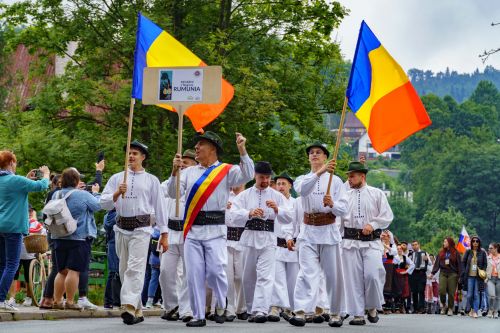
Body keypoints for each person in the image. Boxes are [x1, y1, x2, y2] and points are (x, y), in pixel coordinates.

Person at [166, 132, 254, 327]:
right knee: (194, 273)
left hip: (215, 230)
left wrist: (242, 150)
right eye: (196, 145)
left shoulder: (226, 170)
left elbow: (247, 174)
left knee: (216, 271)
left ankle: (221, 303)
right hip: (192, 229)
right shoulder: (188, 172)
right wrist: (174, 172)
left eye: (201, 145)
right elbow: (173, 193)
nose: (196, 148)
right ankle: (198, 315)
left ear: (213, 149)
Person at [101, 140, 169, 325]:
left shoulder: (151, 180)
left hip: (142, 229)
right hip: (121, 228)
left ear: (143, 157)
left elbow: (161, 208)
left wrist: (164, 233)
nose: (131, 156)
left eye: (135, 153)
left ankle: (128, 306)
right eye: (129, 153)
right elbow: (103, 203)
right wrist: (116, 193)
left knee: (135, 268)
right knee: (124, 271)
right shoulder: (117, 177)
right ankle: (137, 310)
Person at [289, 142, 348, 327]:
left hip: (328, 230)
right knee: (306, 272)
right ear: (309, 158)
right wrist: (320, 172)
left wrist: (332, 204)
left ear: (325, 156)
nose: (314, 155)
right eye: (312, 153)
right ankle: (300, 310)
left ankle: (336, 312)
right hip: (308, 230)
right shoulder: (303, 179)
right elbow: (302, 190)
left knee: (332, 275)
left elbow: (344, 209)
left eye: (318, 152)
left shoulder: (336, 181)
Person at [231, 162, 293, 323]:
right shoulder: (244, 196)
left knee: (266, 277)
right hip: (249, 238)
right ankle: (252, 309)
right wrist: (249, 213)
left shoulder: (277, 196)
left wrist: (278, 209)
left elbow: (290, 217)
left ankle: (260, 310)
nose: (265, 180)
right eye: (261, 177)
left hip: (268, 239)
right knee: (248, 277)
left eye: (267, 177)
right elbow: (232, 215)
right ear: (255, 176)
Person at [341, 161, 393, 326]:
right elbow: (338, 221)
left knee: (372, 276)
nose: (349, 178)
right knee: (353, 279)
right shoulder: (344, 196)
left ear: (362, 176)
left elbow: (387, 215)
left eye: (352, 175)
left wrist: (373, 224)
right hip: (349, 242)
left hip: (371, 242)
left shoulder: (376, 193)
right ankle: (357, 314)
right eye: (348, 176)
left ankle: (371, 306)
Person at [0, 150, 50, 312]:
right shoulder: (15, 180)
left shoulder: (9, 181)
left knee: (1, 265)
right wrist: (46, 174)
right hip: (13, 227)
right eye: (15, 162)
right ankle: (1, 300)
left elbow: (12, 192)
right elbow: (41, 186)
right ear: (10, 163)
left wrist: (26, 179)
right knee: (12, 264)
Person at [50, 168, 101, 310]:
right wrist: (96, 193)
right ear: (77, 181)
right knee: (74, 271)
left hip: (59, 237)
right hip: (78, 238)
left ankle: (57, 301)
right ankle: (70, 302)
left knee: (61, 271)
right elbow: (98, 206)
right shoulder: (83, 195)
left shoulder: (56, 194)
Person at [159, 149, 197, 322]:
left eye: (187, 163)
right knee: (166, 272)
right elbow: (159, 208)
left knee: (189, 273)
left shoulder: (197, 186)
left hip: (190, 232)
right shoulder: (166, 184)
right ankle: (171, 306)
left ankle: (187, 309)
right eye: (181, 163)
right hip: (170, 231)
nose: (183, 166)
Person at [270, 172, 298, 322]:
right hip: (276, 244)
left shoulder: (296, 202)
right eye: (278, 183)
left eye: (283, 184)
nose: (280, 187)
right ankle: (275, 307)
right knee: (277, 278)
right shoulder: (271, 201)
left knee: (293, 280)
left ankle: (292, 308)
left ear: (290, 186)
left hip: (293, 245)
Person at [225, 184, 247, 321]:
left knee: (241, 276)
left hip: (243, 240)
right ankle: (229, 308)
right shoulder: (225, 196)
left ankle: (242, 307)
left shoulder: (249, 196)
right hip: (226, 240)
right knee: (228, 276)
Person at [430, 237, 461, 316]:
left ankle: (450, 308)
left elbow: (459, 265)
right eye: (444, 242)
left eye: (445, 242)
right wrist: (432, 273)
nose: (444, 243)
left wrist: (460, 276)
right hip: (443, 273)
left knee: (451, 292)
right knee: (441, 290)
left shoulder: (456, 253)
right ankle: (444, 305)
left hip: (453, 274)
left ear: (450, 243)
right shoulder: (441, 253)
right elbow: (436, 264)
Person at [461, 236, 487, 318]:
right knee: (469, 295)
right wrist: (464, 271)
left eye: (477, 241)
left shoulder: (482, 252)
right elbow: (463, 262)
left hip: (478, 277)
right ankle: (471, 309)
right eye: (473, 241)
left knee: (476, 294)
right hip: (469, 276)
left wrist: (482, 271)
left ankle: (475, 311)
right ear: (471, 242)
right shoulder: (468, 251)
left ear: (479, 243)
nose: (475, 242)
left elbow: (485, 264)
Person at [103, 209, 121, 309]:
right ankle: (115, 300)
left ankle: (109, 301)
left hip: (110, 243)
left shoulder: (107, 216)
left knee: (112, 272)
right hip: (117, 242)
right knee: (117, 272)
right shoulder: (118, 215)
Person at [409, 240, 432, 314]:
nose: (414, 246)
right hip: (413, 273)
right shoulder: (410, 254)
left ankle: (421, 308)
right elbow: (407, 263)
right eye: (413, 245)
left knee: (421, 290)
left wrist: (427, 260)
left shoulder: (424, 253)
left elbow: (430, 263)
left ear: (419, 245)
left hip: (421, 273)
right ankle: (415, 308)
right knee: (414, 291)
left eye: (415, 244)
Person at [393, 244, 414, 314]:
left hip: (403, 276)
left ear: (402, 250)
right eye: (398, 249)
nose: (399, 250)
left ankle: (402, 307)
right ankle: (397, 308)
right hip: (396, 275)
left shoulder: (405, 257)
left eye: (400, 249)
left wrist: (406, 271)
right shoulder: (394, 257)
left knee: (404, 291)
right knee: (396, 290)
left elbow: (412, 264)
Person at [381, 230, 398, 314]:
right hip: (380, 264)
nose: (383, 237)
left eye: (385, 236)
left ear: (389, 237)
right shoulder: (378, 244)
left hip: (389, 266)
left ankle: (387, 306)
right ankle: (378, 305)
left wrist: (386, 246)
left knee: (387, 284)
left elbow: (394, 252)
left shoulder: (392, 245)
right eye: (382, 236)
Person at [145, 227, 161, 308]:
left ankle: (149, 301)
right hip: (163, 258)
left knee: (153, 280)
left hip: (153, 258)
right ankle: (163, 301)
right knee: (165, 281)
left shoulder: (153, 231)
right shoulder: (165, 230)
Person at [486, 242, 500, 318]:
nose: (489, 249)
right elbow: (485, 267)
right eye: (489, 248)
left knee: (498, 297)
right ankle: (490, 310)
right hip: (490, 278)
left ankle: (496, 311)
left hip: (499, 279)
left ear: (495, 249)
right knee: (492, 295)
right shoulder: (488, 257)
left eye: (491, 248)